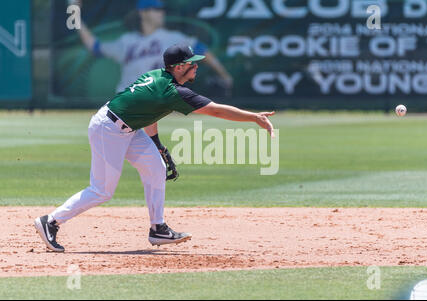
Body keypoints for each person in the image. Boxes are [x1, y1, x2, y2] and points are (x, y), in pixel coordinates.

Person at [34, 43, 275, 252]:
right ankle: (51, 221)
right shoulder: (173, 91)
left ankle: (157, 229)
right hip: (108, 130)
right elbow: (216, 110)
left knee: (155, 168)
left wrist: (157, 144)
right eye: (192, 63)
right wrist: (253, 117)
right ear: (179, 67)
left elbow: (150, 111)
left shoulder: (160, 77)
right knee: (102, 190)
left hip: (127, 127)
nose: (197, 66)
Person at [74, 0, 233, 93]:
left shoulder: (171, 37)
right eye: (156, 9)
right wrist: (75, 14)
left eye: (162, 9)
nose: (161, 13)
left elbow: (200, 49)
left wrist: (224, 74)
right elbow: (95, 47)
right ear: (143, 13)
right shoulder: (126, 41)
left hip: (157, 104)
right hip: (126, 102)